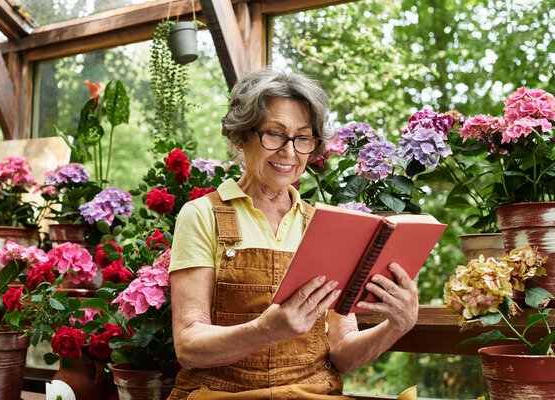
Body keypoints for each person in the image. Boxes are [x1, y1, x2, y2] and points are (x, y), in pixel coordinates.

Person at [168, 69, 418, 399]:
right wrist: (265, 331)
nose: (289, 152)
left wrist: (397, 325)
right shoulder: (203, 215)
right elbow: (188, 345)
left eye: (303, 138)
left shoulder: (327, 227)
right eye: (274, 134)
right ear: (241, 138)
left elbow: (343, 353)